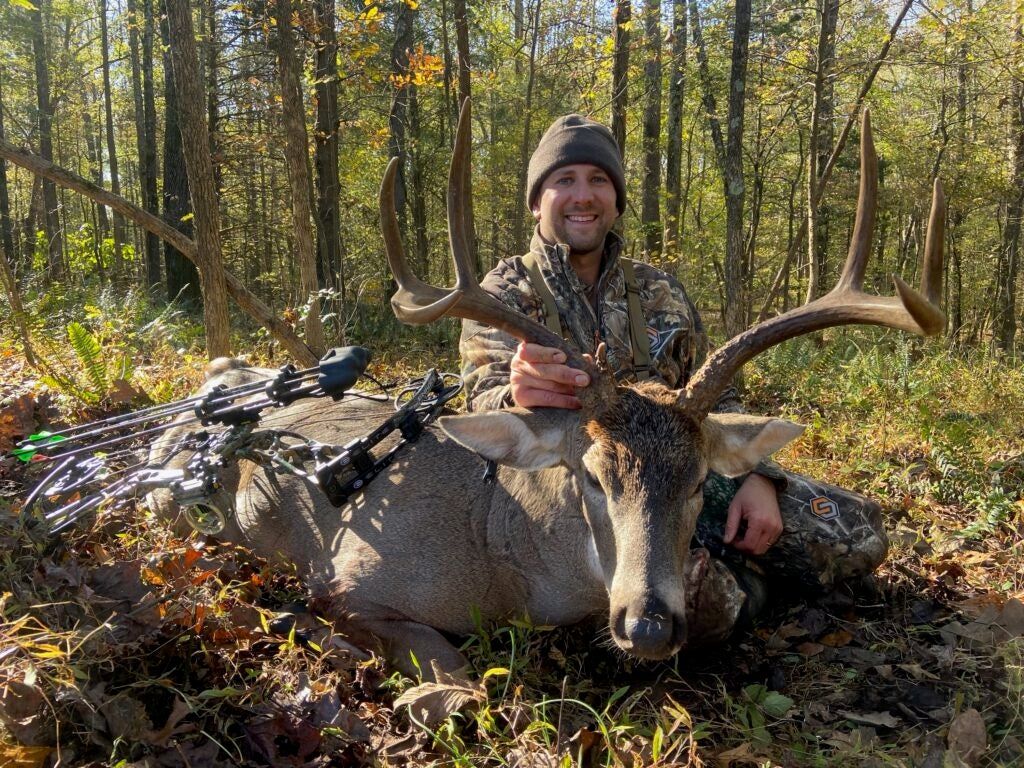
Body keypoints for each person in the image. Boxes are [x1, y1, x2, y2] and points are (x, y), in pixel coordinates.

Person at [459, 114, 887, 642]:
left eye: (598, 180)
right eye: (563, 180)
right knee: (693, 611)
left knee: (856, 535)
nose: (583, 195)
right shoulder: (502, 293)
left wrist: (757, 475)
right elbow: (482, 397)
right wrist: (516, 391)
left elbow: (718, 398)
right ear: (536, 200)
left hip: (682, 476)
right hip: (581, 490)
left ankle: (730, 575)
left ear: (616, 200)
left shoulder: (657, 290)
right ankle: (728, 589)